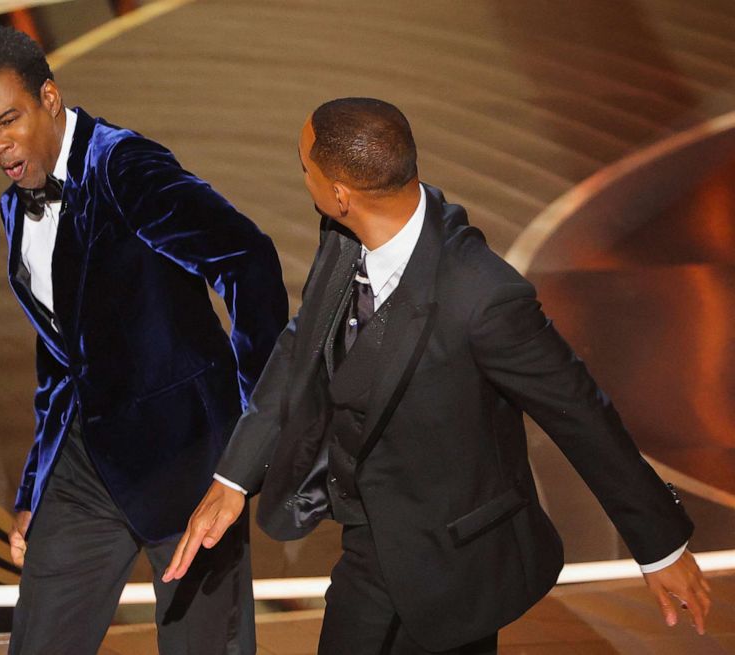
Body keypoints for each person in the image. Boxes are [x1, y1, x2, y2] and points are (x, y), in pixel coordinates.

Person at [163, 97, 711, 654]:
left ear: (340, 195)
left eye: (304, 167)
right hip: (369, 546)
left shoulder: (483, 297)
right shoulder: (342, 233)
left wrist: (661, 546)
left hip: (458, 562)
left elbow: (582, 415)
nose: (302, 176)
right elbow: (303, 343)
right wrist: (233, 479)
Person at [0, 27, 288, 654]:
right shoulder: (16, 204)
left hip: (188, 465)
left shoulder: (125, 167)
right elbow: (60, 355)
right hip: (86, 464)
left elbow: (249, 260)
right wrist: (35, 485)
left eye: (7, 120)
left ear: (49, 96)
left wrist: (251, 430)